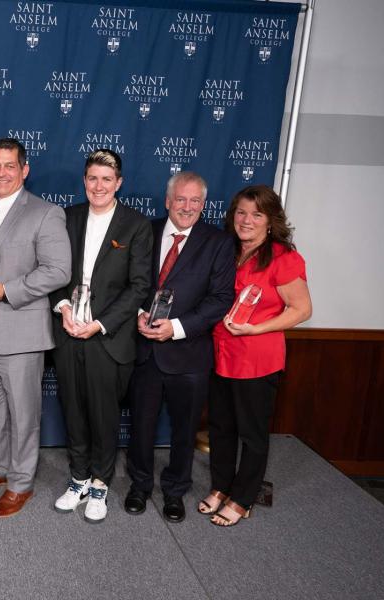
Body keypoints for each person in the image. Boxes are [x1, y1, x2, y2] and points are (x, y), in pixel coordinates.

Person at [0, 138, 71, 518]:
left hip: (21, 332)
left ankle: (20, 483)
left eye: (10, 165)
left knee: (23, 412)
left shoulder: (44, 212)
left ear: (24, 170)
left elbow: (58, 271)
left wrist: (7, 291)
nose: (1, 172)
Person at [125, 171, 236, 523]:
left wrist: (174, 328)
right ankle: (139, 485)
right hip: (144, 351)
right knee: (140, 425)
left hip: (189, 355)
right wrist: (140, 316)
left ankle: (175, 491)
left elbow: (220, 300)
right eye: (181, 199)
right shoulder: (146, 230)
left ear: (203, 205)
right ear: (168, 200)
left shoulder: (218, 243)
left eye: (195, 201)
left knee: (184, 429)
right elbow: (130, 283)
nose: (187, 207)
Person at [49, 149, 152, 523]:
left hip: (106, 339)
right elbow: (54, 272)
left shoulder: (136, 225)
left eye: (106, 179)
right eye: (92, 178)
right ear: (84, 181)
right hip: (67, 334)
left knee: (104, 416)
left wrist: (100, 323)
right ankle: (77, 478)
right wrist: (62, 308)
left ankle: (100, 484)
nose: (99, 186)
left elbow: (140, 287)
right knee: (73, 411)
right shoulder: (67, 217)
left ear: (119, 183)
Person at [200, 184, 312, 527]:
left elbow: (302, 309)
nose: (247, 220)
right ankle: (221, 486)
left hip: (257, 359)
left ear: (270, 220)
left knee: (252, 432)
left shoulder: (282, 257)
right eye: (241, 212)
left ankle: (244, 497)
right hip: (220, 354)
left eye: (256, 214)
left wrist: (257, 329)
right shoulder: (226, 250)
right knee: (220, 427)